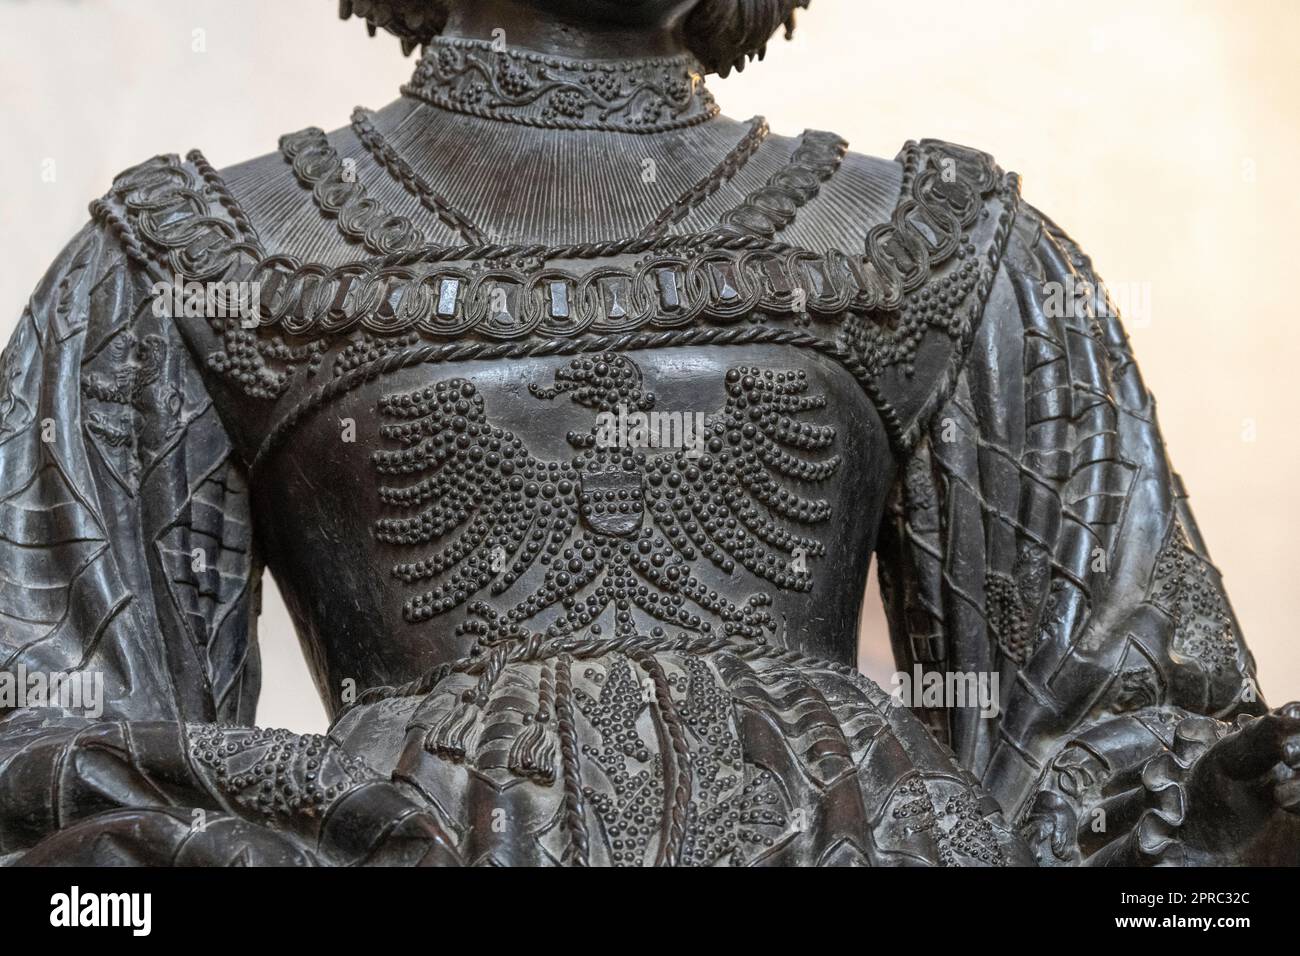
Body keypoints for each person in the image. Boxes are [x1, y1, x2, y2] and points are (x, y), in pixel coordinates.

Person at [0, 0, 1295, 866]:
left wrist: (1241, 814)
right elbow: (46, 753)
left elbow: (1123, 752)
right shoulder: (193, 260)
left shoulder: (947, 250)